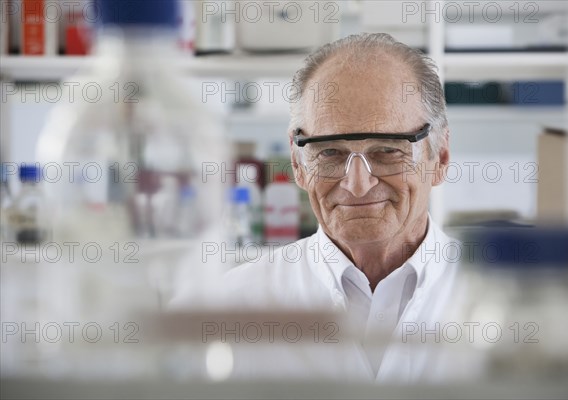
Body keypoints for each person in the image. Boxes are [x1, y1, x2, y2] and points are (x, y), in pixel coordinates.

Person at [189, 33, 462, 383]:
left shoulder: (500, 304)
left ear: (439, 156)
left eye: (388, 151)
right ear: (298, 163)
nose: (358, 184)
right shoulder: (232, 305)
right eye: (330, 153)